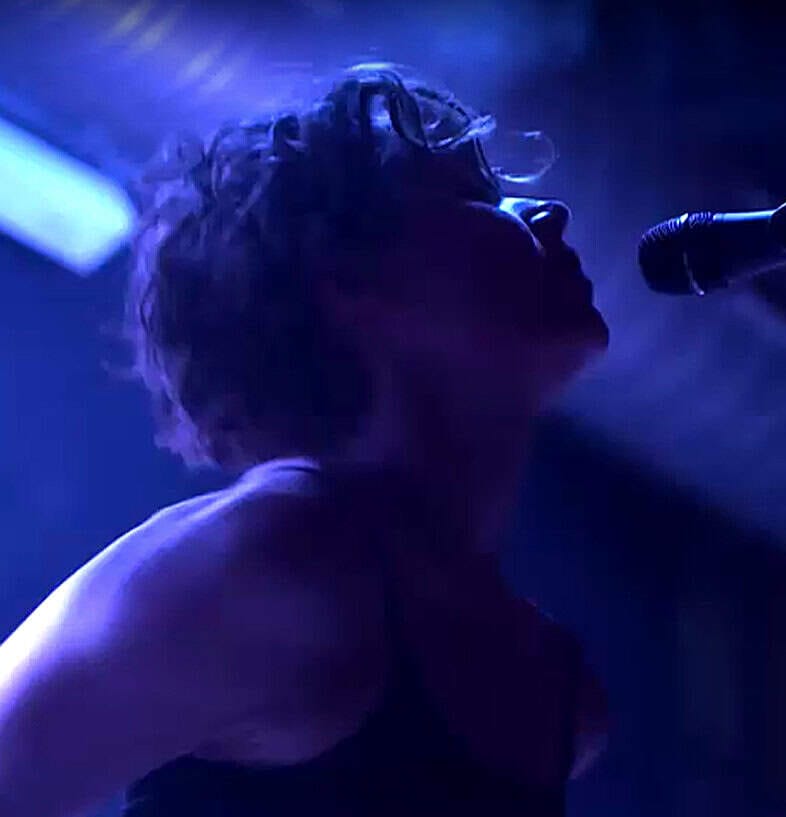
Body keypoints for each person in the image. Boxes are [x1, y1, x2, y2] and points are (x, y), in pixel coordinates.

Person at [0, 63, 610, 816]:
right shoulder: (265, 566)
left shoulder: (555, 693)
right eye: (471, 198)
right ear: (352, 282)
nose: (545, 212)